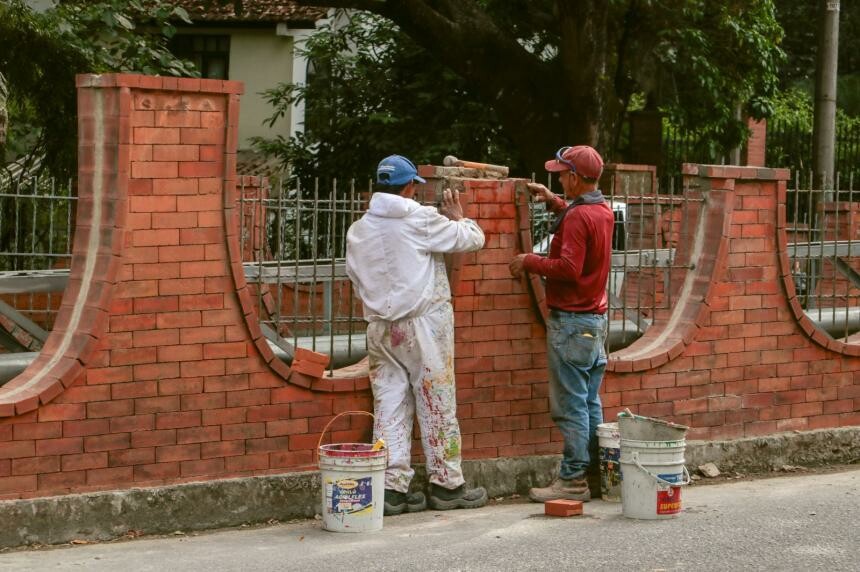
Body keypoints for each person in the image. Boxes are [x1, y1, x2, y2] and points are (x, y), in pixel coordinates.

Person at [346, 154, 488, 515]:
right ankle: (446, 485)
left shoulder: (359, 230)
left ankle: (392, 490)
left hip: (380, 327)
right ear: (409, 187)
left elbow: (356, 278)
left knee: (389, 404)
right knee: (436, 400)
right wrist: (459, 217)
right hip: (423, 324)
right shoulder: (420, 219)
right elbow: (472, 238)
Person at [509, 145, 614, 503]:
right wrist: (554, 200)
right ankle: (598, 474)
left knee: (570, 405)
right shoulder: (601, 209)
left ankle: (572, 480)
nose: (558, 179)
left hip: (571, 321)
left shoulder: (579, 218)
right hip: (594, 321)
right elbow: (578, 220)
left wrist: (529, 260)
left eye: (561, 175)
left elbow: (569, 268)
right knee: (589, 402)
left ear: (574, 177)